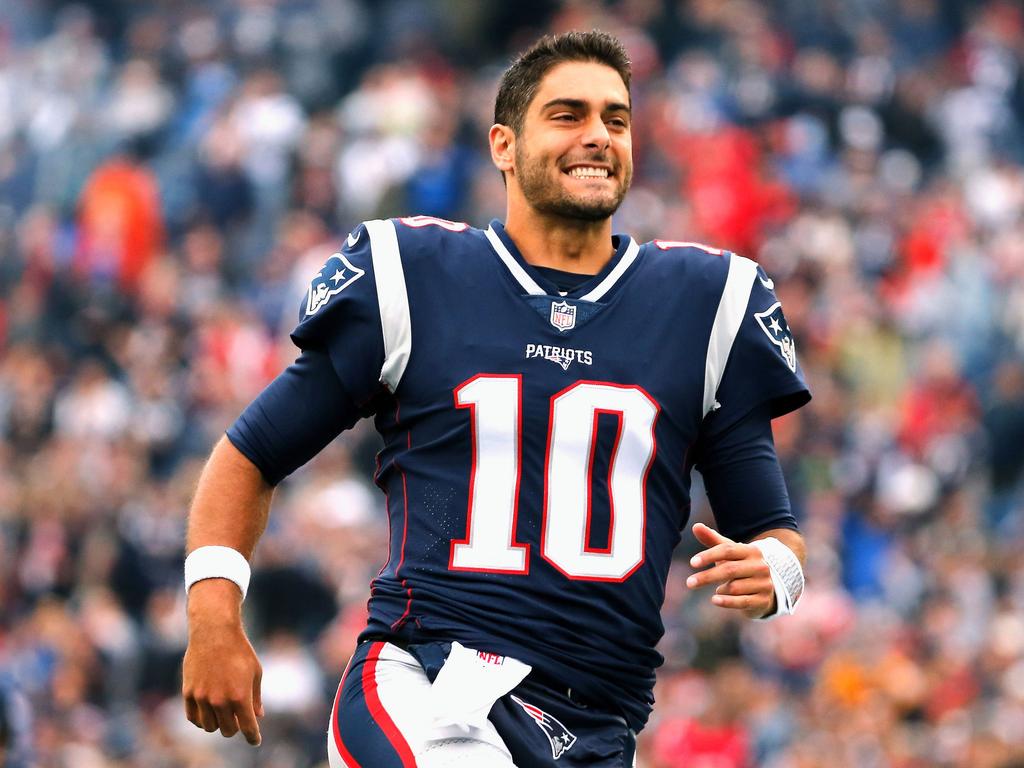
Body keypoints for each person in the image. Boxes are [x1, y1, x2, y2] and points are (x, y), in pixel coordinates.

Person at [182, 30, 810, 768]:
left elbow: (773, 529)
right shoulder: (418, 273)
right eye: (568, 114)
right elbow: (252, 454)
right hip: (428, 680)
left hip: (596, 725)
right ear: (503, 146)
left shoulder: (706, 303)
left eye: (616, 118)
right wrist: (213, 617)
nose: (598, 136)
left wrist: (778, 574)